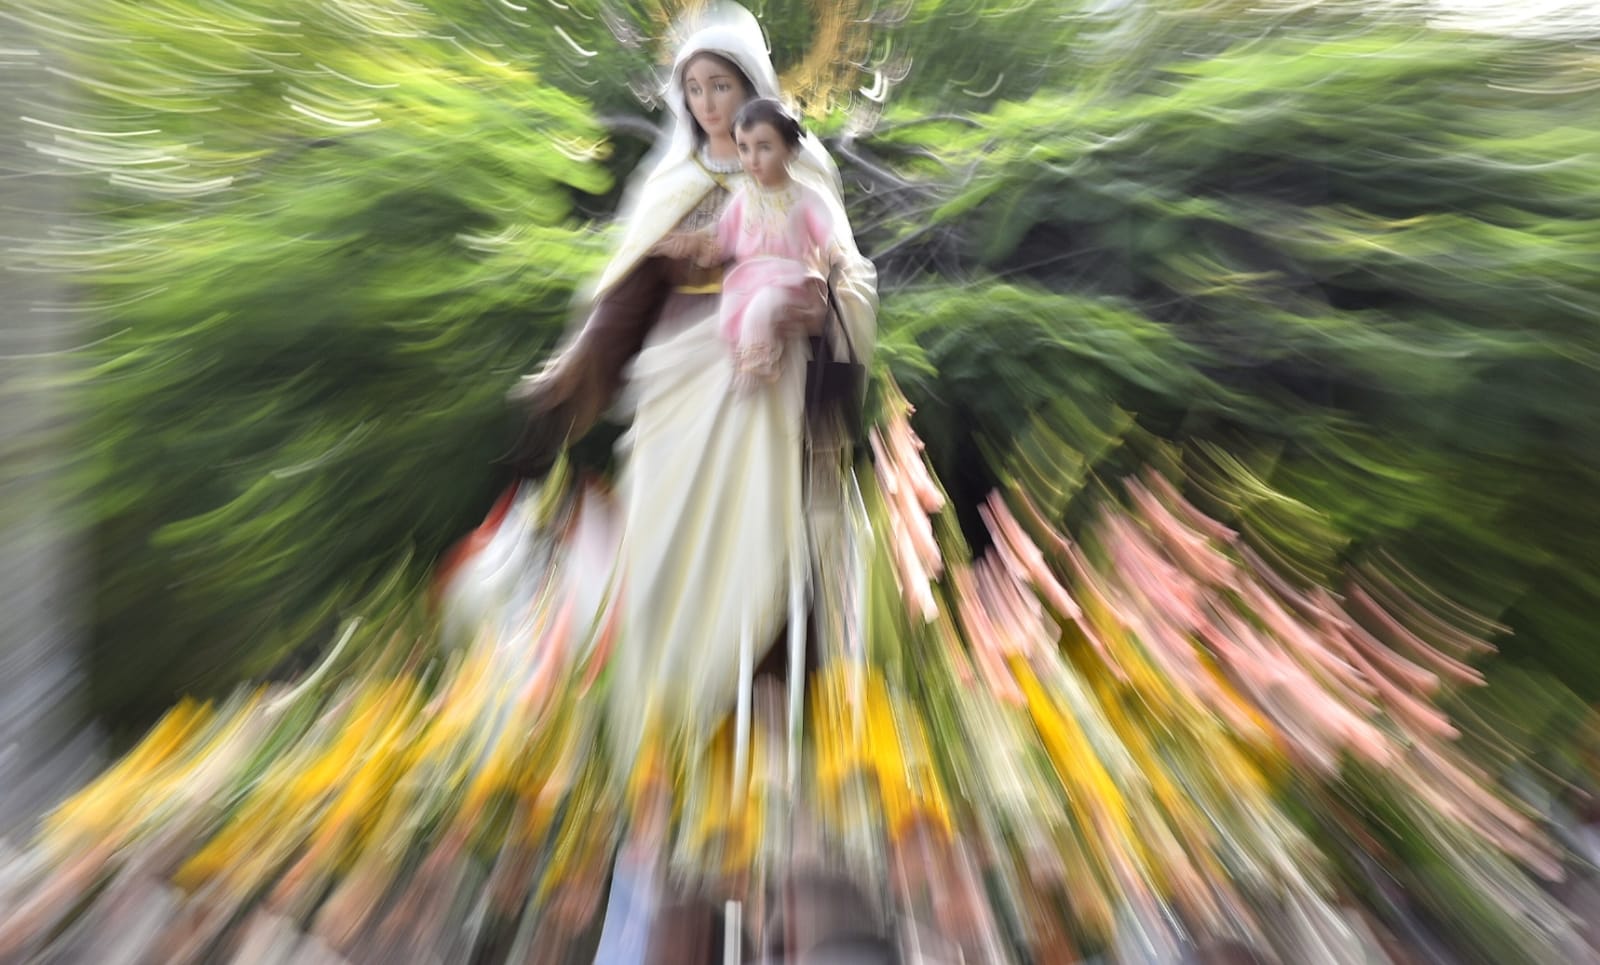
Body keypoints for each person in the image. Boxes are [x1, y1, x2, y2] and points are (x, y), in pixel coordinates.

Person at [656, 97, 839, 393]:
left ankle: (758, 365)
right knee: (733, 317)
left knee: (763, 307)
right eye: (744, 148)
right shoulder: (742, 197)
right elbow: (722, 242)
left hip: (791, 279)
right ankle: (746, 361)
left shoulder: (806, 198)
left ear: (790, 150)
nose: (752, 159)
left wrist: (836, 256)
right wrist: (692, 243)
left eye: (764, 147)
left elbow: (830, 239)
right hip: (748, 280)